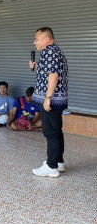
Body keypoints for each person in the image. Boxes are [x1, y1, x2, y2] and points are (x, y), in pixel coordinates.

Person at [30, 27, 68, 178]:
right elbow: (50, 71)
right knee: (56, 130)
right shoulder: (53, 52)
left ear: (46, 39)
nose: (35, 43)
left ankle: (51, 166)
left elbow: (53, 76)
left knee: (51, 132)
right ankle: (58, 162)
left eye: (36, 39)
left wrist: (48, 98)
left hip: (51, 101)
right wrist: (37, 66)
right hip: (56, 99)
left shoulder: (50, 52)